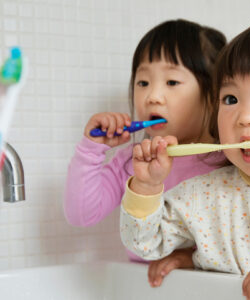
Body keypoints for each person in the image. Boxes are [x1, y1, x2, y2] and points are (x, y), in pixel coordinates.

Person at [120, 16, 250, 300]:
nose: (244, 117)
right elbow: (143, 244)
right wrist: (147, 187)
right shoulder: (201, 194)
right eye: (230, 99)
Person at [64, 19, 226, 262]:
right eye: (142, 83)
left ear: (214, 93)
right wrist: (91, 149)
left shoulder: (229, 161)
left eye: (172, 82)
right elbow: (80, 215)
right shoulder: (132, 161)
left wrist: (189, 260)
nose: (152, 96)